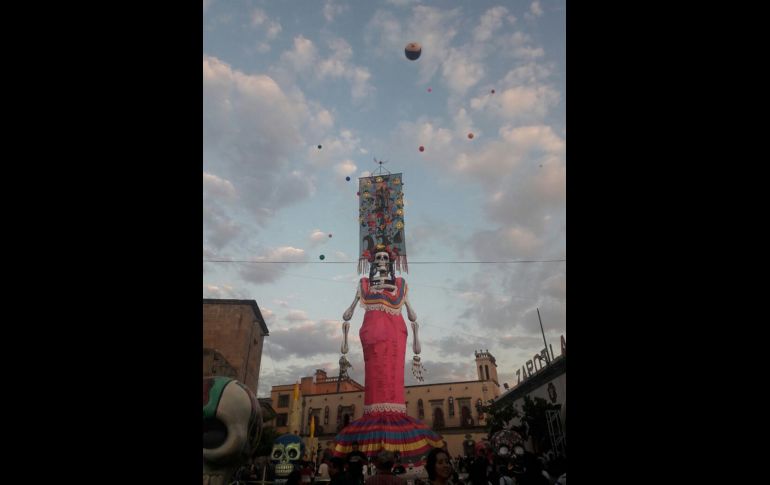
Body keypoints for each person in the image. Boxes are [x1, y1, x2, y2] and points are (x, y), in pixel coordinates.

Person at [335, 245, 442, 462]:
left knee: (393, 376)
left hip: (395, 335)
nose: (382, 261)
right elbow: (348, 312)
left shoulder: (400, 285)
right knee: (375, 376)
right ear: (373, 262)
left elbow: (412, 315)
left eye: (385, 257)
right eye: (378, 258)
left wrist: (416, 334)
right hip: (372, 333)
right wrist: (345, 334)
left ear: (390, 262)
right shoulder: (364, 285)